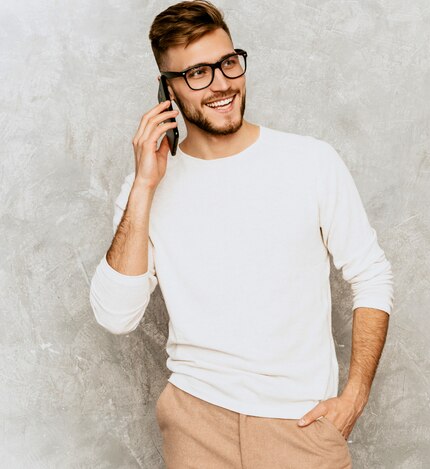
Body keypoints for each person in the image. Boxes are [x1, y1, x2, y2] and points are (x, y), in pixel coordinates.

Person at [89, 1, 394, 467]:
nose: (221, 84)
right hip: (196, 422)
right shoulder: (146, 188)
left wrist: (354, 397)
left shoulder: (310, 162)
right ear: (165, 90)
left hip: (301, 425)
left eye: (228, 63)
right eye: (197, 74)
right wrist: (145, 185)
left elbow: (371, 275)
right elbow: (116, 315)